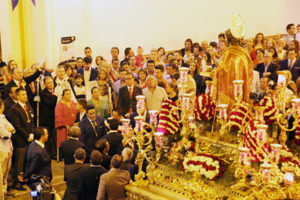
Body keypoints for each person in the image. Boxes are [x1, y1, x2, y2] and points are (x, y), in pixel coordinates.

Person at [6, 88, 35, 191]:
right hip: (20, 140)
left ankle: (24, 179)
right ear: (17, 96)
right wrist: (27, 135)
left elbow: (31, 120)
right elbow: (17, 126)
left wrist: (32, 132)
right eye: (22, 95)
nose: (25, 96)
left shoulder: (27, 106)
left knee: (26, 161)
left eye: (25, 94)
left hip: (29, 137)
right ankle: (17, 183)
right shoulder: (14, 108)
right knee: (19, 162)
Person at [0, 99, 15, 198]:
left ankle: (4, 191)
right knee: (1, 173)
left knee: (6, 172)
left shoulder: (3, 117)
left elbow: (12, 128)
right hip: (2, 149)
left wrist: (9, 130)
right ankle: (1, 193)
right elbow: (4, 134)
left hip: (8, 147)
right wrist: (9, 131)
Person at [39, 76, 58, 158]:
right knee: (47, 138)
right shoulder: (43, 93)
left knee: (54, 137)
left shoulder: (54, 91)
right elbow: (50, 103)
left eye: (51, 82)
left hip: (55, 118)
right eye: (49, 83)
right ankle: (47, 154)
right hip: (46, 119)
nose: (51, 84)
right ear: (45, 84)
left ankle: (54, 154)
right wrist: (56, 95)